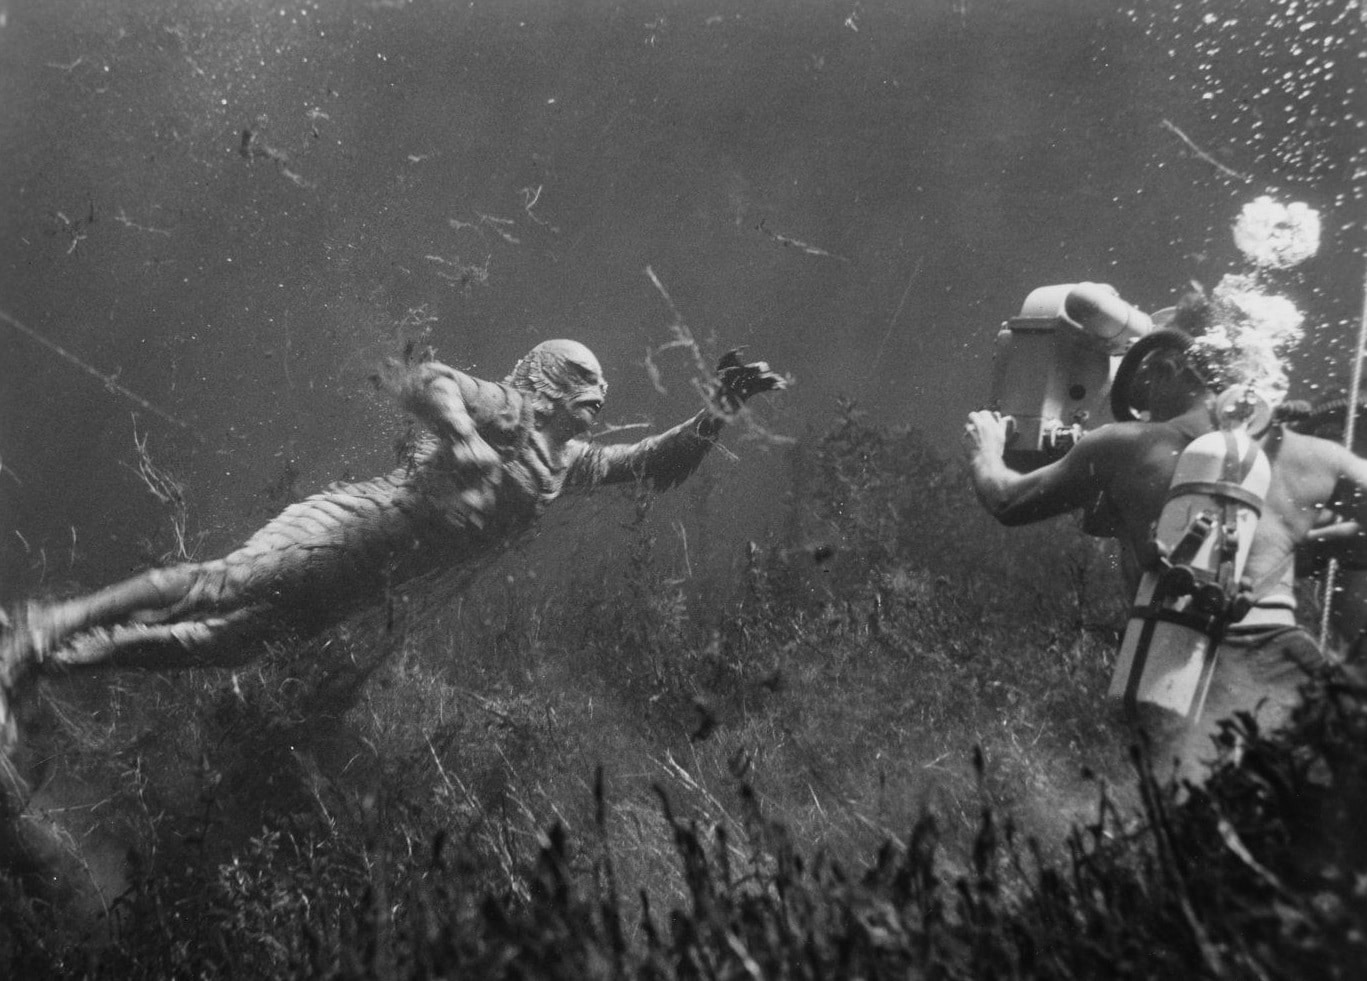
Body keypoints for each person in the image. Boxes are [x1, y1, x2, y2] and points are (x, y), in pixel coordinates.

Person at [0, 340, 787, 751]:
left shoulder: (564, 465)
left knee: (219, 641)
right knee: (214, 585)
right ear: (547, 379)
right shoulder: (509, 410)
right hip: (352, 528)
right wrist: (462, 437)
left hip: (364, 582)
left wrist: (715, 411)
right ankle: (46, 623)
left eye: (599, 388)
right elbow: (427, 376)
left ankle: (48, 661)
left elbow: (653, 464)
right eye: (583, 380)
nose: (598, 397)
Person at [963, 303, 1367, 783]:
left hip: (1176, 669)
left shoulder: (1127, 445)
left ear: (1171, 365)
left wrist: (985, 448)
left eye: (1145, 384)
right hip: (1285, 665)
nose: (1142, 402)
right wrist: (1301, 545)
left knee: (1179, 823)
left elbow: (1008, 501)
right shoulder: (1314, 455)